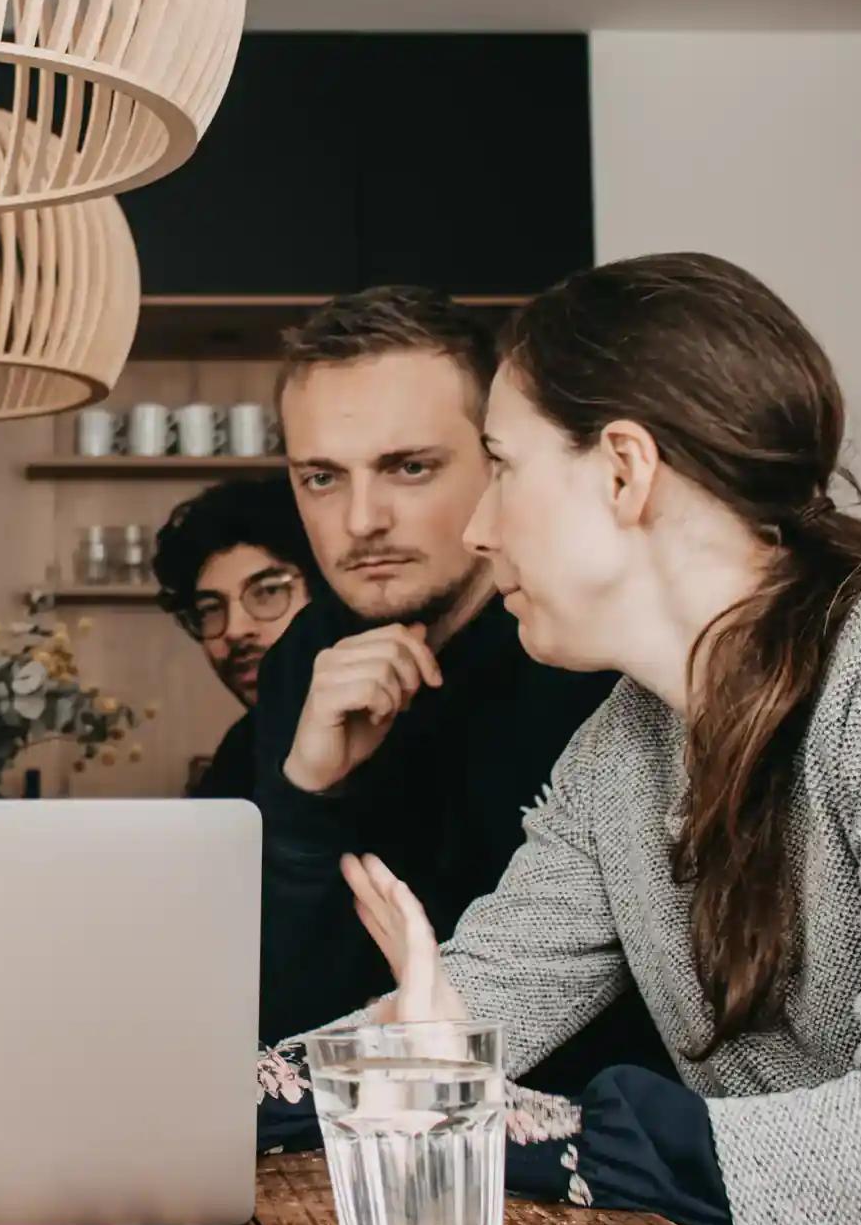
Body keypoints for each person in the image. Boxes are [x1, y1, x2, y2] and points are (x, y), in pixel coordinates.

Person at [288, 253, 861, 1225]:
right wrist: (230, 1095)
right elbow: (465, 1004)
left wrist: (564, 1140)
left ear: (623, 470)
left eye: (499, 466)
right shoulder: (622, 739)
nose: (481, 530)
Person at [252, 287, 665, 1093]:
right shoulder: (303, 659)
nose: (362, 519)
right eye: (322, 478)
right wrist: (305, 797)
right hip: (370, 1118)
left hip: (587, 1159)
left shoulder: (594, 653)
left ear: (496, 461)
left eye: (409, 468)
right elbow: (278, 1012)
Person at [151, 475, 320, 799]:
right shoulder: (243, 746)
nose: (234, 630)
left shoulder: (406, 735)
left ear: (326, 593)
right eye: (210, 608)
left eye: (267, 592)